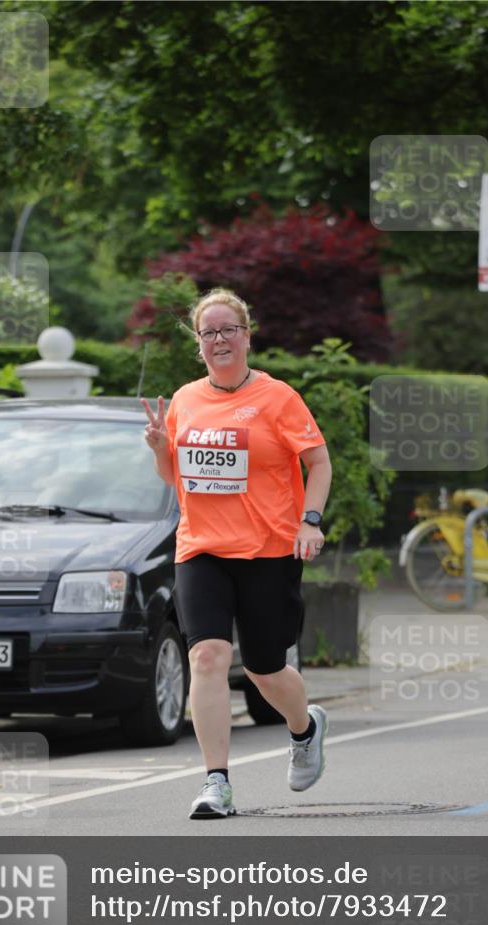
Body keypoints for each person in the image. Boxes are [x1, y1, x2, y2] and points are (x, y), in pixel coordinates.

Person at [141, 288, 333, 818]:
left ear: (247, 335)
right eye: (209, 332)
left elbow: (319, 464)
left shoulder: (279, 398)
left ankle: (305, 727)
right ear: (198, 343)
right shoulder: (184, 401)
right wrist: (162, 449)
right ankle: (216, 783)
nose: (219, 339)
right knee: (206, 655)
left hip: (269, 548)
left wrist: (309, 521)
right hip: (201, 547)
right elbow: (178, 482)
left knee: (266, 667)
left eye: (229, 329)